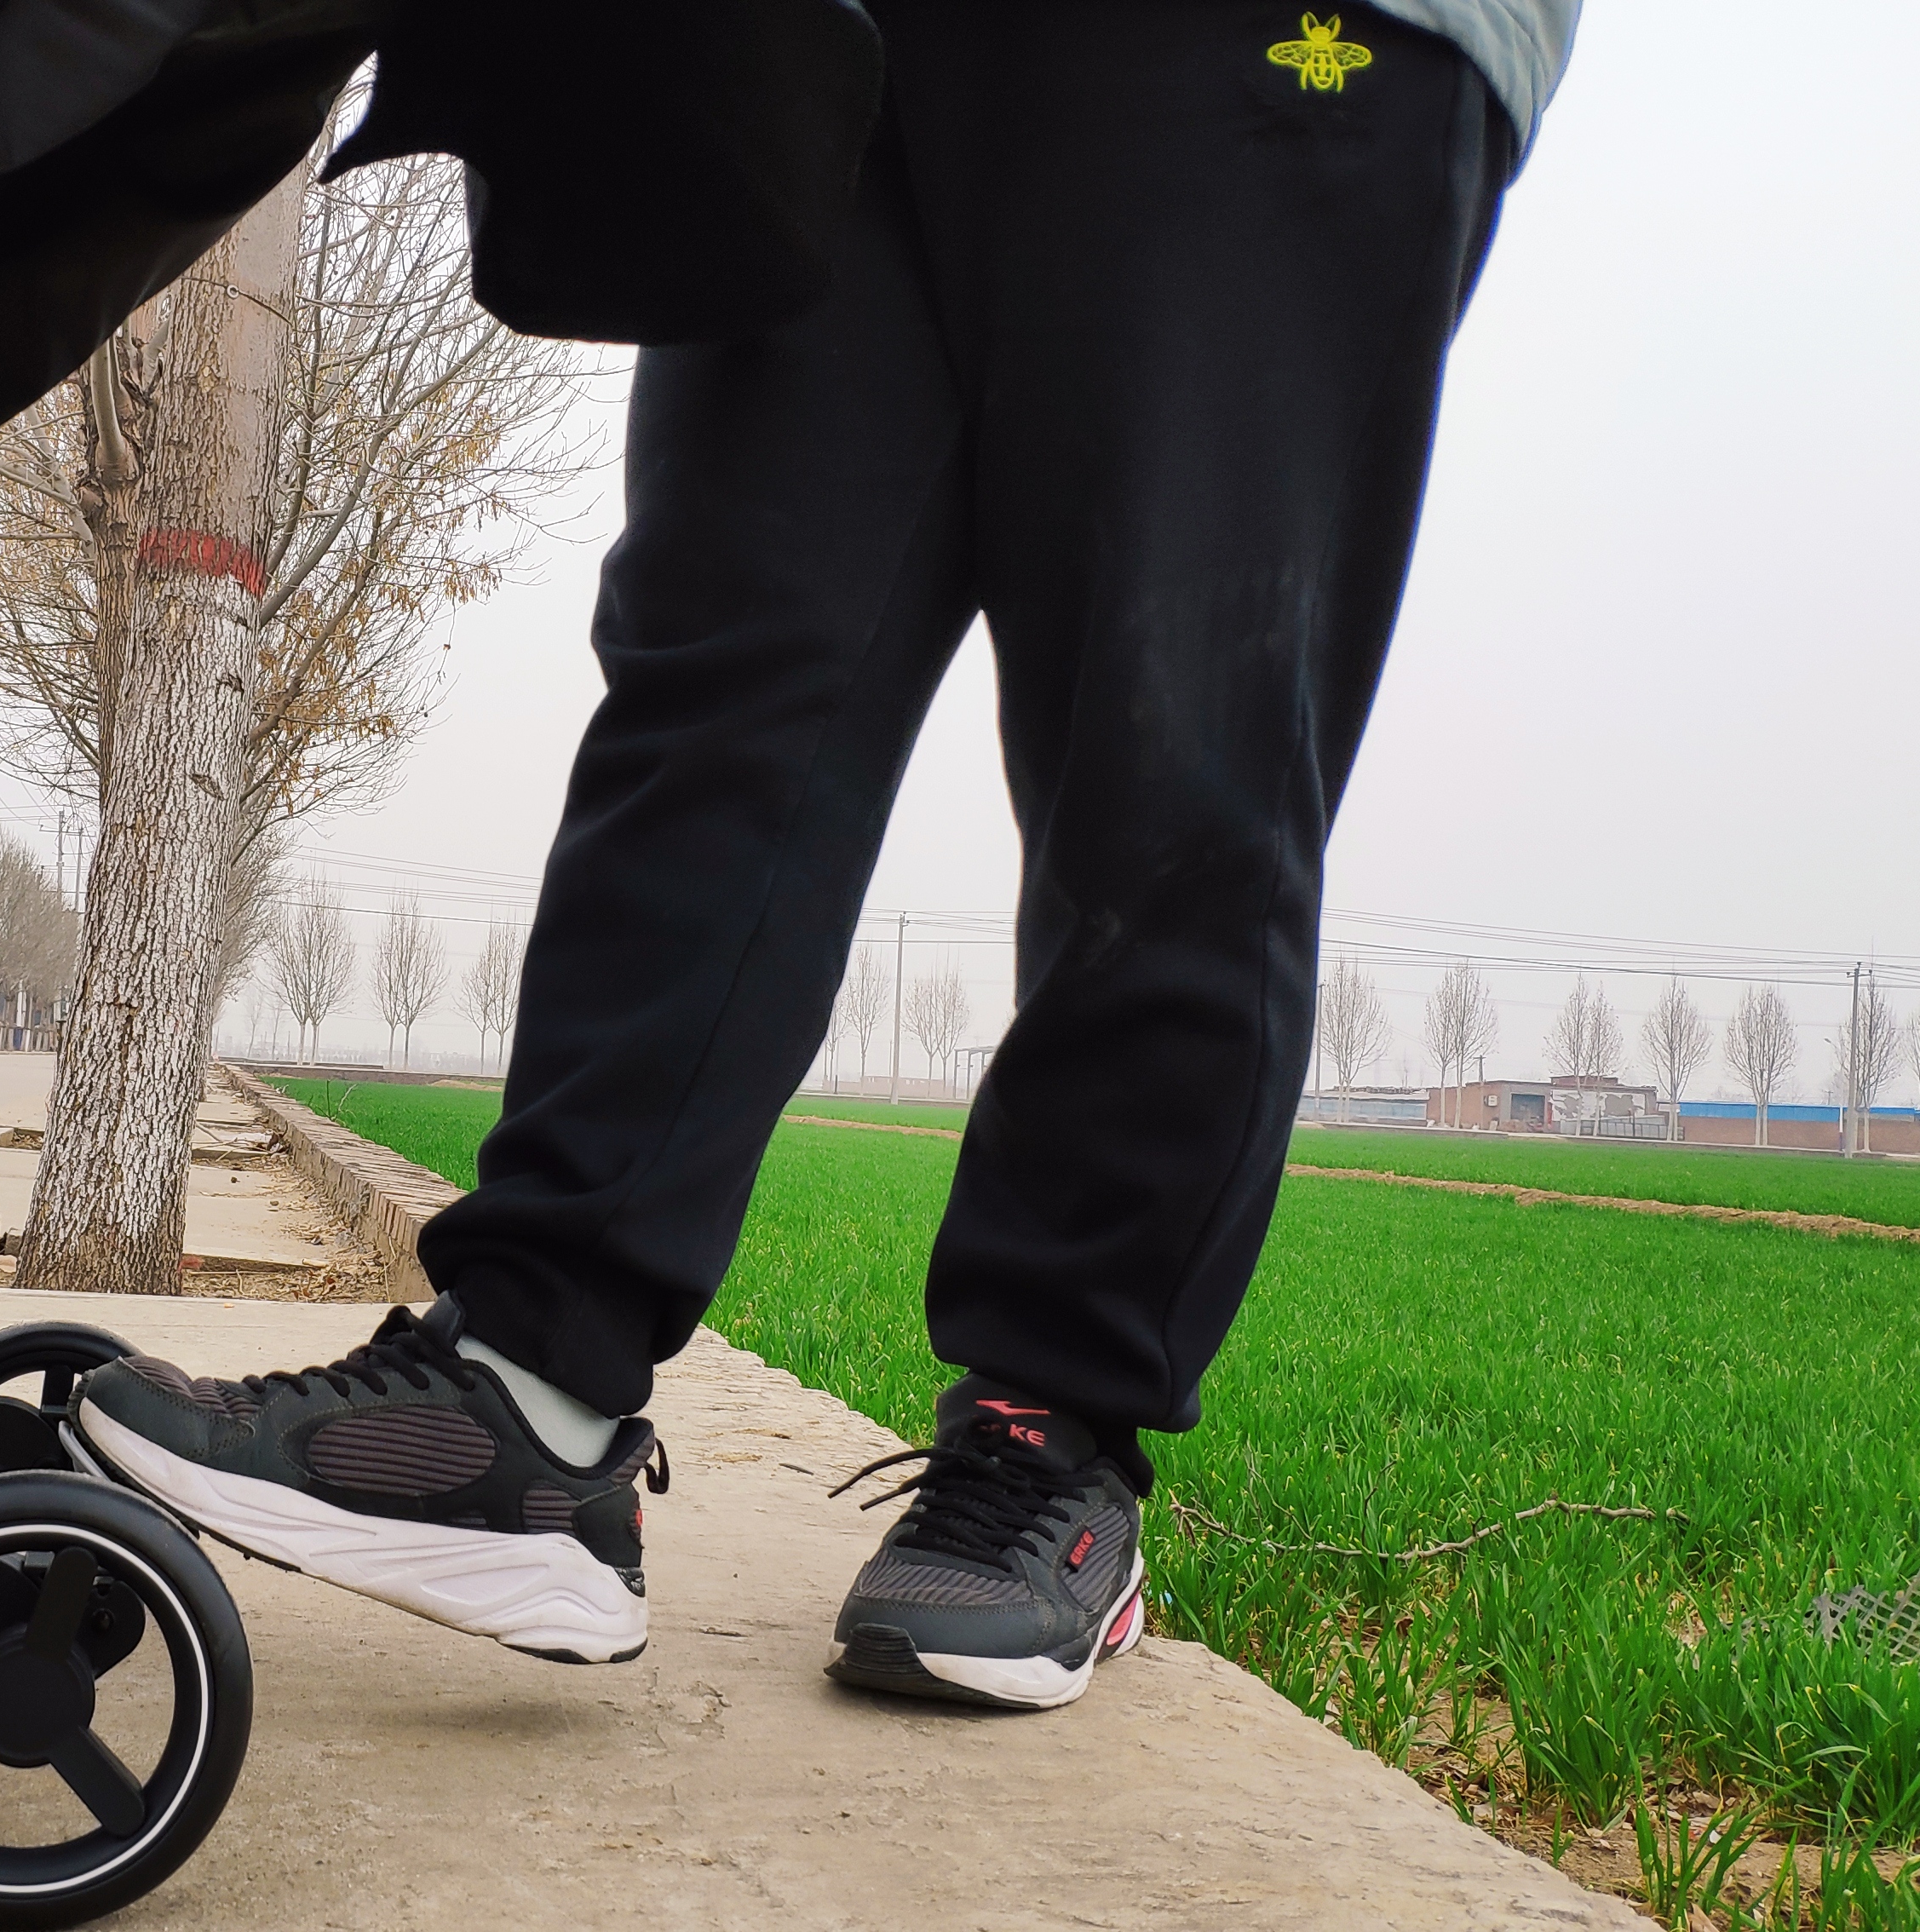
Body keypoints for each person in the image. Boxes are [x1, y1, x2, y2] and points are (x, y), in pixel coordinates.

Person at [76, 0, 1578, 1704]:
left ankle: (1050, 1441)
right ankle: (532, 1389)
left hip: (1280, 42)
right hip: (849, 37)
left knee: (1176, 733)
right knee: (725, 672)